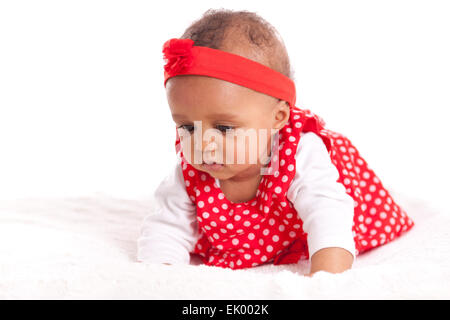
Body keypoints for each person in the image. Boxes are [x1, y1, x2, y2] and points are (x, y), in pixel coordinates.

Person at [137, 9, 414, 275]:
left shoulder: (297, 154)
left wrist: (325, 280)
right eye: (187, 126)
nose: (203, 144)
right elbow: (165, 230)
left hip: (328, 214)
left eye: (223, 127)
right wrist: (162, 277)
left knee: (332, 213)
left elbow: (327, 215)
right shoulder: (189, 172)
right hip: (253, 240)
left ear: (278, 117)